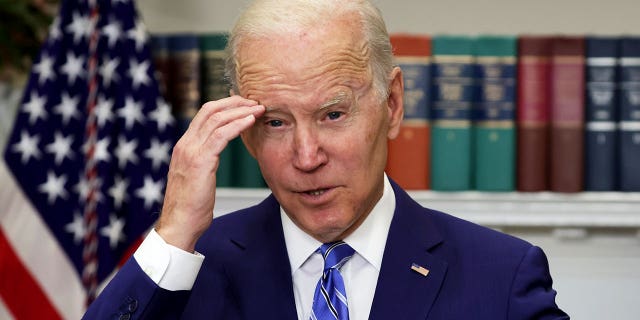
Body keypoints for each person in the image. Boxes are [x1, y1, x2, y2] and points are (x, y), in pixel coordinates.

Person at [84, 0, 569, 319]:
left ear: (392, 105)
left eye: (333, 114)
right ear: (245, 133)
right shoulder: (189, 270)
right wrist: (173, 233)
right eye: (275, 121)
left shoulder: (500, 276)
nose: (307, 156)